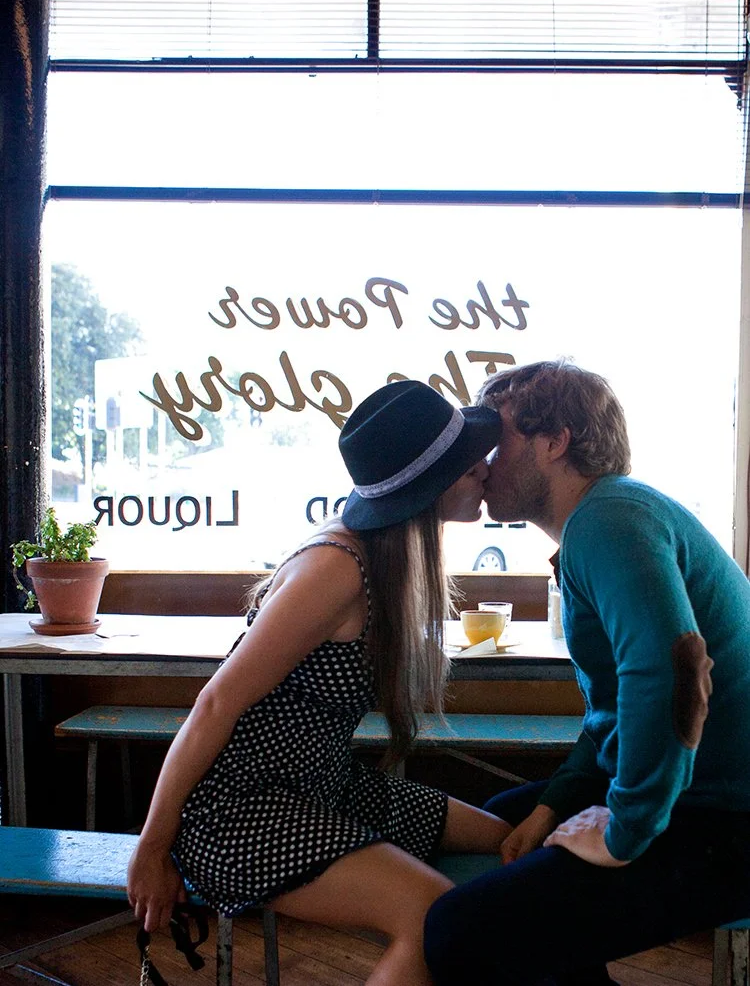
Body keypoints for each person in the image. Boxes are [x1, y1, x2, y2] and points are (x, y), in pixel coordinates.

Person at [127, 379, 511, 986]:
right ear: (429, 489)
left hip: (323, 786)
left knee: (509, 840)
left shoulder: (390, 558)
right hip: (239, 811)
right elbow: (216, 703)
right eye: (470, 466)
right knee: (432, 916)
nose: (485, 471)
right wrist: (151, 849)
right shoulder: (337, 568)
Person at [424, 359, 750, 986]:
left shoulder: (609, 519)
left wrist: (623, 831)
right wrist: (556, 805)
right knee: (500, 823)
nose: (483, 464)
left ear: (554, 441)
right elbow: (613, 712)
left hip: (725, 819)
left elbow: (674, 673)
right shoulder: (606, 519)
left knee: (460, 930)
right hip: (694, 795)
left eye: (498, 441)